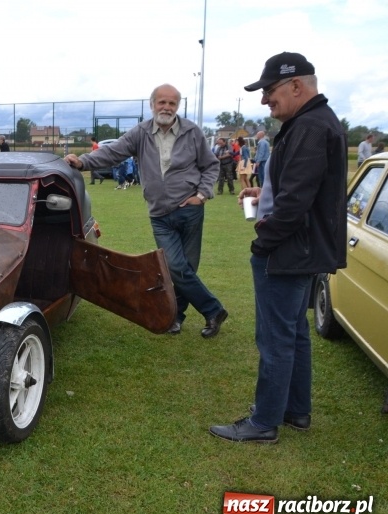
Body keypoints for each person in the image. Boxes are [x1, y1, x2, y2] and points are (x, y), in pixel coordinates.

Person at [209, 52, 347, 443]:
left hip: (288, 250)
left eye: (270, 90)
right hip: (302, 248)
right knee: (294, 333)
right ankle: (295, 411)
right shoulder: (314, 122)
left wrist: (263, 244)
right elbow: (299, 189)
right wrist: (264, 190)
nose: (265, 100)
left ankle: (263, 422)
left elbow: (296, 201)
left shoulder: (309, 127)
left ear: (296, 86)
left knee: (276, 337)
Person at [65, 84, 228, 338]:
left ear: (177, 106)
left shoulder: (192, 132)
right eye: (162, 102)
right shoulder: (141, 133)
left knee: (186, 268)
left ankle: (176, 317)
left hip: (190, 211)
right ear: (152, 105)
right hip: (160, 214)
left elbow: (211, 166)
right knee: (175, 267)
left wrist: (201, 195)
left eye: (172, 103)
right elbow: (113, 152)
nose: (167, 107)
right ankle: (213, 309)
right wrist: (84, 161)